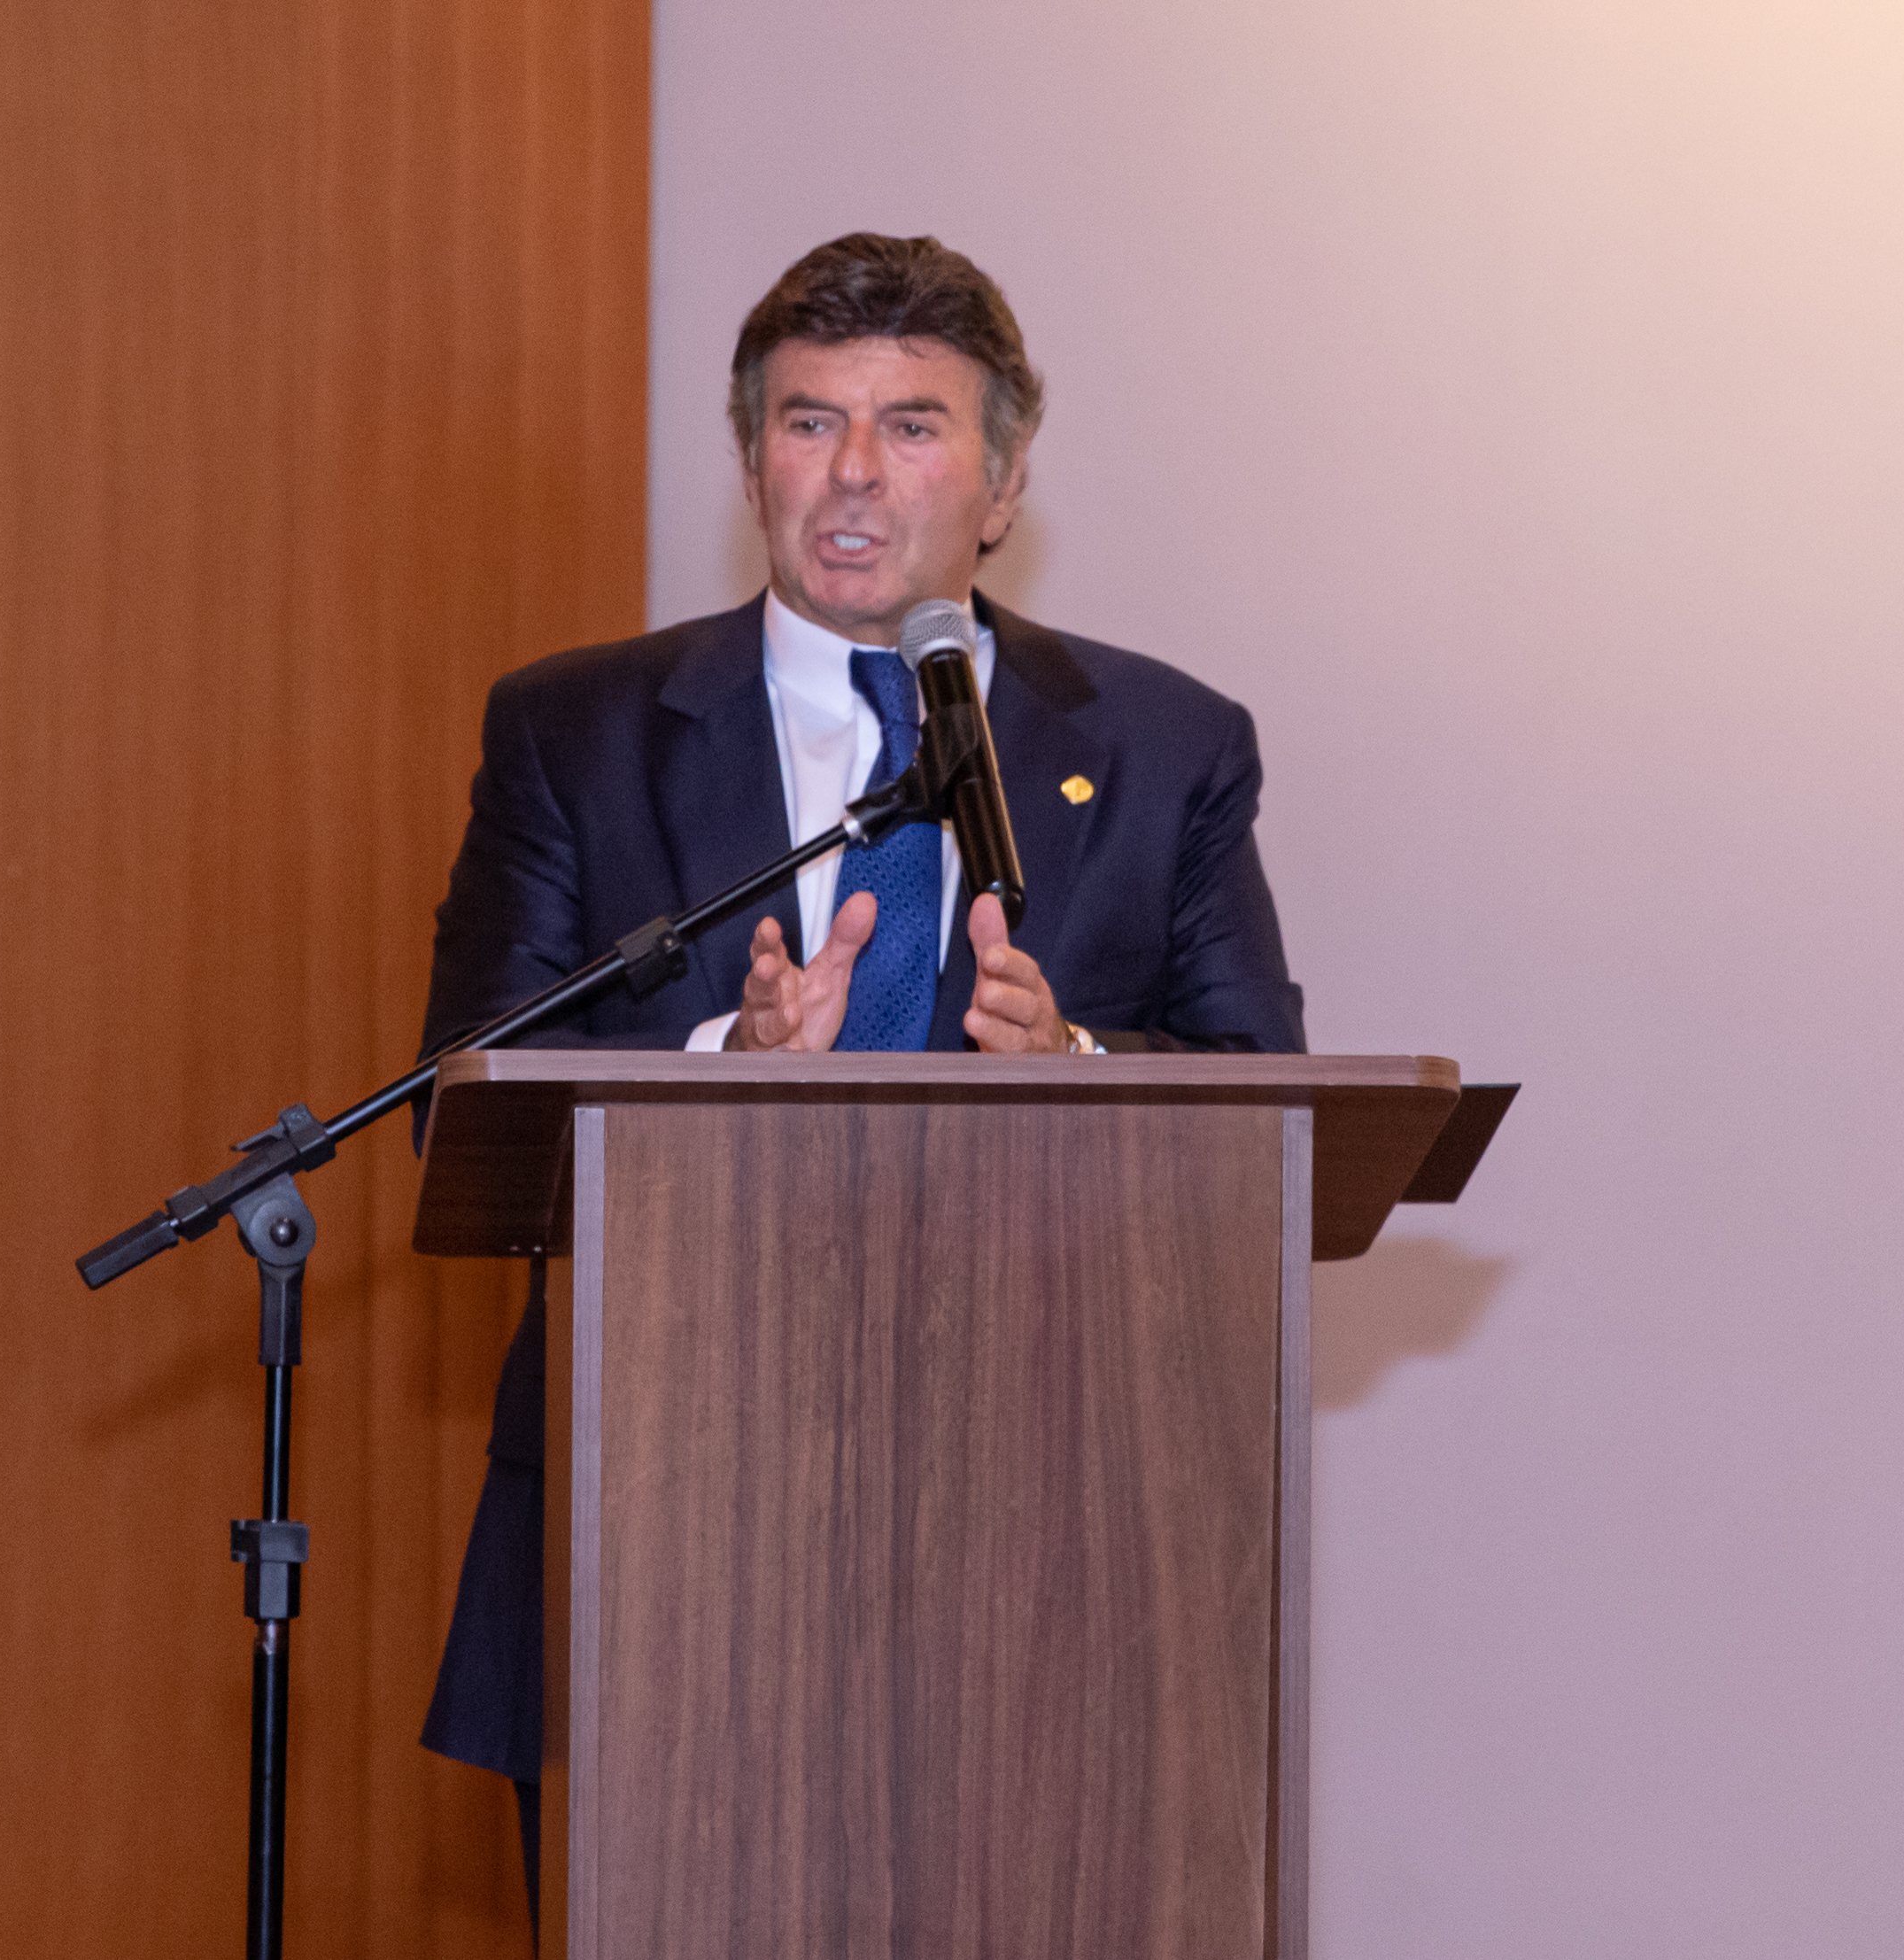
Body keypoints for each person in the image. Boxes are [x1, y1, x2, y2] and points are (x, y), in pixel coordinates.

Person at [414, 232, 1304, 1917]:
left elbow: (1265, 1095)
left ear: (1005, 479)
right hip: (664, 1515)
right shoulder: (575, 731)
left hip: (1066, 1532)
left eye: (911, 426)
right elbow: (466, 1103)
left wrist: (1074, 1061)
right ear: (751, 457)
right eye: (810, 422)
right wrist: (721, 1061)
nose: (852, 475)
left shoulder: (1164, 746)